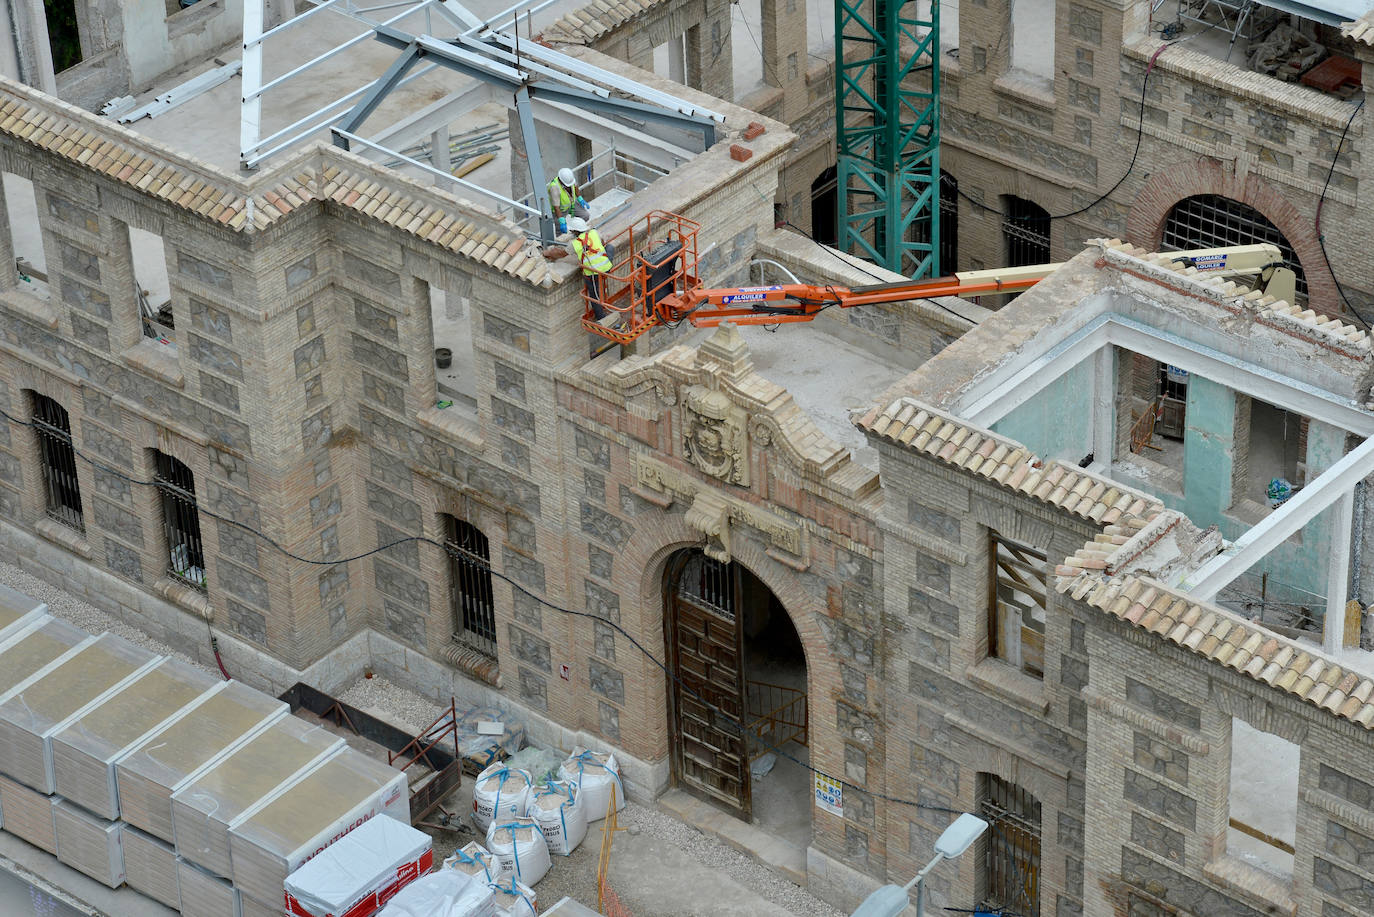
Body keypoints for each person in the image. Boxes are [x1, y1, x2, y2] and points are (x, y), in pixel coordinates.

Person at [569, 217, 615, 319]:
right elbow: (603, 243)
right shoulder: (594, 232)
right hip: (606, 267)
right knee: (610, 247)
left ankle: (601, 317)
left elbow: (560, 253)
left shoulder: (575, 244)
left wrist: (547, 253)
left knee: (594, 296)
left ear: (575, 231)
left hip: (593, 274)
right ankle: (606, 271)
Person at [547, 168, 589, 234]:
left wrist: (580, 198)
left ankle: (576, 230)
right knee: (561, 230)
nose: (569, 186)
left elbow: (575, 187)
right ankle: (561, 240)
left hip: (571, 204)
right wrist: (562, 221)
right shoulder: (554, 187)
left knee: (585, 216)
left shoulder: (570, 179)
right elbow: (556, 207)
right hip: (560, 210)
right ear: (561, 181)